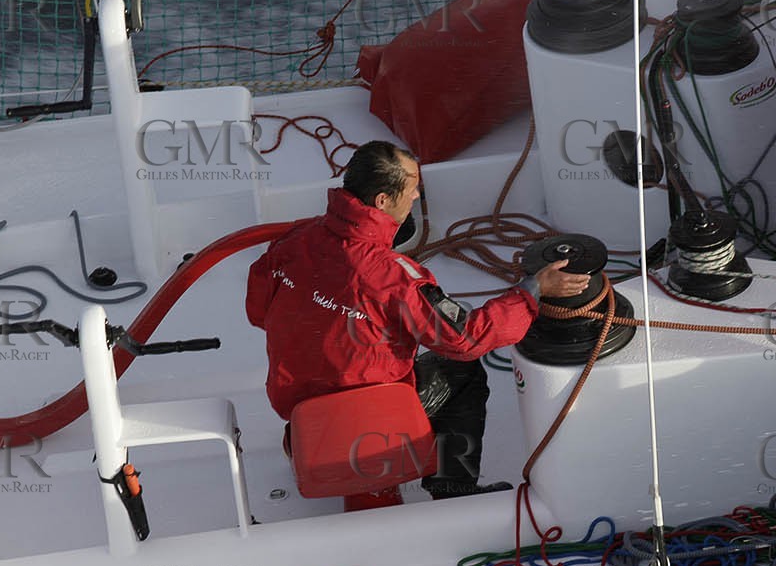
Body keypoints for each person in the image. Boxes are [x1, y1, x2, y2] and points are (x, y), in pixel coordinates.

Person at [245, 140, 589, 498]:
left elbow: (257, 312)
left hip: (305, 421)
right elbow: (466, 339)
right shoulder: (394, 276)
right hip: (364, 425)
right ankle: (452, 486)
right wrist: (532, 291)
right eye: (412, 190)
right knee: (464, 371)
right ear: (382, 201)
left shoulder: (293, 242)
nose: (415, 198)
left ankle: (313, 445)